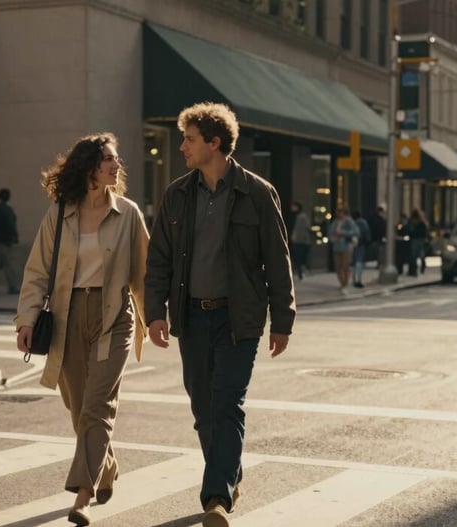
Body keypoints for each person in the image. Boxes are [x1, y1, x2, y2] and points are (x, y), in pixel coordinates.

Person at [144, 102, 295, 527]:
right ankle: (230, 473)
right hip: (191, 318)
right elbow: (159, 260)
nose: (182, 147)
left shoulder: (258, 194)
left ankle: (216, 499)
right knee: (203, 409)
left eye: (189, 139)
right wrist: (155, 313)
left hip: (239, 319)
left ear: (214, 143)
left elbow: (278, 261)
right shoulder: (176, 194)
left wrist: (283, 320)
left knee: (227, 404)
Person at [13, 133, 149, 527]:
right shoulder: (60, 214)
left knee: (97, 406)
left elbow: (144, 275)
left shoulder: (129, 214)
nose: (116, 165)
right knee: (78, 409)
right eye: (109, 158)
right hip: (68, 317)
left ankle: (83, 495)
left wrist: (156, 318)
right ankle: (106, 468)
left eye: (116, 159)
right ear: (90, 166)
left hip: (114, 318)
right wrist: (26, 317)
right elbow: (37, 270)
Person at [327, 207, 358, 294]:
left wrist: (343, 233)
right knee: (338, 266)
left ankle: (345, 284)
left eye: (341, 213)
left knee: (345, 266)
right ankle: (342, 282)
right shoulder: (335, 222)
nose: (339, 214)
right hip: (336, 246)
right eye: (338, 212)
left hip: (346, 246)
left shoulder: (348, 221)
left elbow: (355, 231)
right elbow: (330, 232)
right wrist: (333, 238)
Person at [289, 201, 311, 280]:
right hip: (296, 240)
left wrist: (302, 238)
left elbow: (307, 227)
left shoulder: (302, 216)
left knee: (300, 257)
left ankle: (301, 273)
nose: (292, 208)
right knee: (298, 257)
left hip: (301, 241)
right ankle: (300, 273)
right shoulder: (294, 216)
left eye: (293, 206)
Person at [350, 210, 371, 288]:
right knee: (359, 261)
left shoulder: (352, 223)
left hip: (353, 244)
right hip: (361, 244)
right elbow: (367, 234)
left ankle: (354, 279)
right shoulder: (363, 223)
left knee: (354, 262)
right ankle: (358, 279)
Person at [407, 207, 429, 276]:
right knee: (420, 254)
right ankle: (421, 265)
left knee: (414, 255)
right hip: (420, 239)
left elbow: (409, 230)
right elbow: (424, 231)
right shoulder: (422, 222)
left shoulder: (412, 222)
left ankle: (414, 271)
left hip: (415, 239)